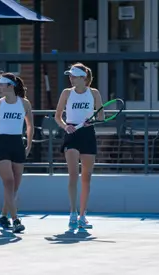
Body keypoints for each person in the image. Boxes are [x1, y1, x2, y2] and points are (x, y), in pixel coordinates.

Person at [0, 72, 34, 233]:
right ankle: (15, 220)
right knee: (8, 182)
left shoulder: (24, 104)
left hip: (17, 143)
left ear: (10, 86)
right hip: (1, 144)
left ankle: (3, 216)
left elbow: (30, 126)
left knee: (15, 186)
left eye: (1, 84)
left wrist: (29, 145)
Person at [54, 62, 104, 229]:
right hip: (71, 134)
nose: (71, 78)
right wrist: (65, 126)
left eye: (74, 76)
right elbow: (58, 116)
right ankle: (73, 212)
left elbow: (102, 116)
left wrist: (93, 121)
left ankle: (83, 215)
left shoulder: (94, 93)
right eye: (70, 76)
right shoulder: (67, 93)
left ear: (83, 78)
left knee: (86, 177)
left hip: (88, 134)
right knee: (73, 175)